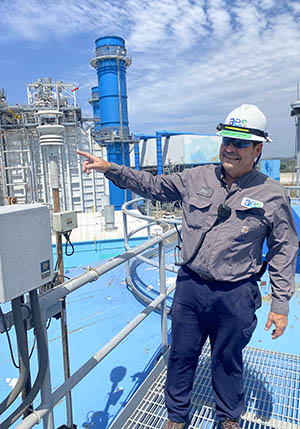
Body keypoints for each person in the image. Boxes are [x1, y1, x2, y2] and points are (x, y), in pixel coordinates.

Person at [77, 104, 298, 429]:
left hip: (235, 293)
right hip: (191, 288)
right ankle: (176, 417)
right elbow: (153, 186)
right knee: (181, 356)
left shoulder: (272, 194)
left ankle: (228, 418)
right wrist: (111, 168)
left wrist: (279, 304)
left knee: (227, 361)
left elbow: (283, 249)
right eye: (227, 140)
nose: (230, 148)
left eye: (240, 143)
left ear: (258, 149)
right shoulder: (196, 177)